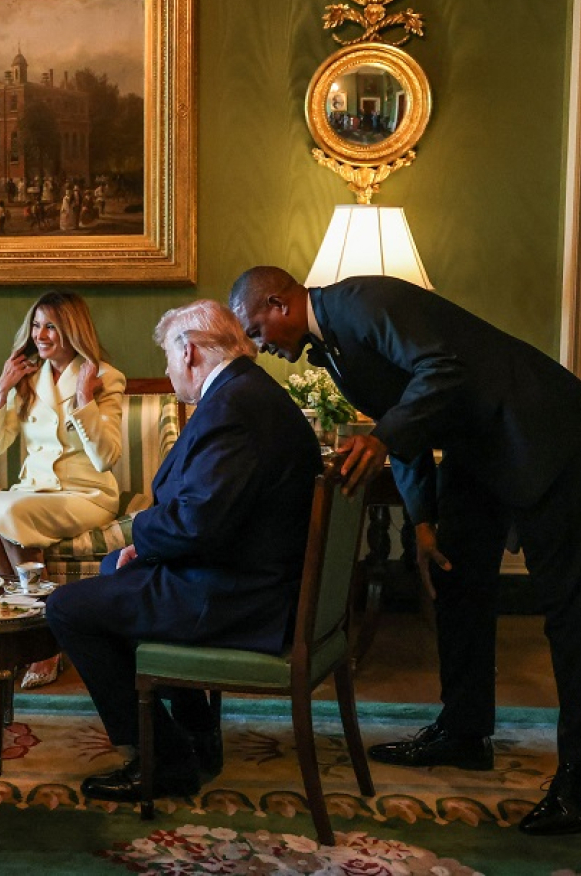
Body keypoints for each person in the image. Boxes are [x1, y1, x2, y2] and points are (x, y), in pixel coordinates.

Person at [229, 266, 581, 837]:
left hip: (545, 436)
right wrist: (421, 522)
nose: (259, 346)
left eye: (256, 330)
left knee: (569, 614)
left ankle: (578, 785)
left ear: (279, 303)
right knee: (455, 580)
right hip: (478, 451)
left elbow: (442, 370)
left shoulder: (364, 301)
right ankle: (464, 733)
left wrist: (383, 438)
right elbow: (406, 422)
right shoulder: (330, 347)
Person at [46, 299, 321, 803]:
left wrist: (141, 533)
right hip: (250, 575)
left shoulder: (233, 408)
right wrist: (146, 549)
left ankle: (165, 761)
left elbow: (197, 523)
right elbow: (211, 512)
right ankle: (195, 732)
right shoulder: (250, 391)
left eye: (169, 359)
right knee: (112, 570)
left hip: (238, 596)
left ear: (189, 351)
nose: (170, 371)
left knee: (67, 608)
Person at [0, 291, 125, 689]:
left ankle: (46, 643)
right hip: (33, 491)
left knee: (11, 514)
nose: (40, 335)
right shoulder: (29, 379)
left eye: (51, 327)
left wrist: (84, 399)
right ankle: (10, 636)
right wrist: (1, 391)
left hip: (86, 494)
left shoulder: (105, 377)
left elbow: (106, 458)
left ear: (73, 330)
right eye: (36, 325)